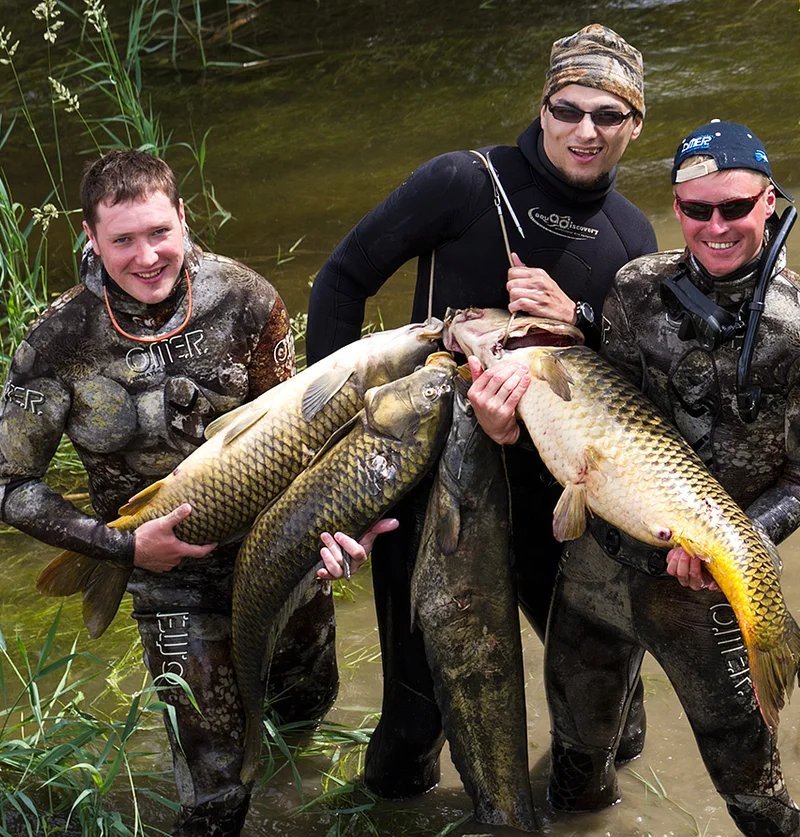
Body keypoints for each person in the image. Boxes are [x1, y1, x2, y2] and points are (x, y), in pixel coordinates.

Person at [306, 24, 657, 800]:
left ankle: (581, 813)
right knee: (415, 721)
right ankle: (388, 812)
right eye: (568, 109)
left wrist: (582, 317)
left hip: (551, 489)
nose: (584, 130)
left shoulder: (632, 234)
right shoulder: (465, 183)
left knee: (614, 713)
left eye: (608, 114)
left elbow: (632, 377)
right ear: (542, 108)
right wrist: (336, 443)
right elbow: (338, 283)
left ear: (636, 125)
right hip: (436, 486)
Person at [0, 150, 348, 835]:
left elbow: (303, 439)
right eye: (122, 239)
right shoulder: (57, 338)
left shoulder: (248, 301)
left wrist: (331, 527)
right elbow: (6, 487)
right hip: (165, 575)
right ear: (91, 237)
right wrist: (122, 544)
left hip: (275, 546)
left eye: (159, 232)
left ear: (183, 216)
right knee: (213, 790)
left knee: (307, 702)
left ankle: (291, 807)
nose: (146, 255)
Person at [523, 121, 800, 835]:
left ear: (768, 200)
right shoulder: (634, 287)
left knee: (759, 802)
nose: (715, 225)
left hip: (702, 590)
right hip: (598, 565)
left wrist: (724, 547)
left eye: (734, 207)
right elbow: (602, 399)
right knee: (576, 774)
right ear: (676, 206)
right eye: (696, 208)